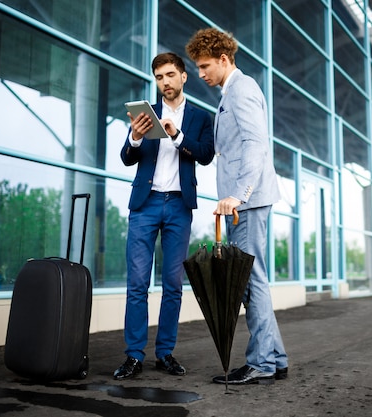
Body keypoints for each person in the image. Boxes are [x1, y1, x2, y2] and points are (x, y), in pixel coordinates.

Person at [185, 28, 289, 385]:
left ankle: (261, 362)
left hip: (246, 201)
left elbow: (255, 144)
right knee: (252, 279)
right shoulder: (231, 92)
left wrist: (239, 195)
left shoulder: (241, 90)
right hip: (244, 202)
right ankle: (274, 358)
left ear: (224, 59)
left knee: (249, 281)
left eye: (204, 66)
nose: (200, 73)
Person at [114, 52, 215, 380]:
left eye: (170, 75)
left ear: (184, 77)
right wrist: (136, 136)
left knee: (173, 284)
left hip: (178, 206)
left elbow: (206, 154)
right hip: (144, 205)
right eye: (159, 77)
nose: (165, 82)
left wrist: (178, 136)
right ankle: (133, 356)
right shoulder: (148, 114)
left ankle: (165, 353)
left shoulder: (200, 118)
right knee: (138, 283)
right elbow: (127, 157)